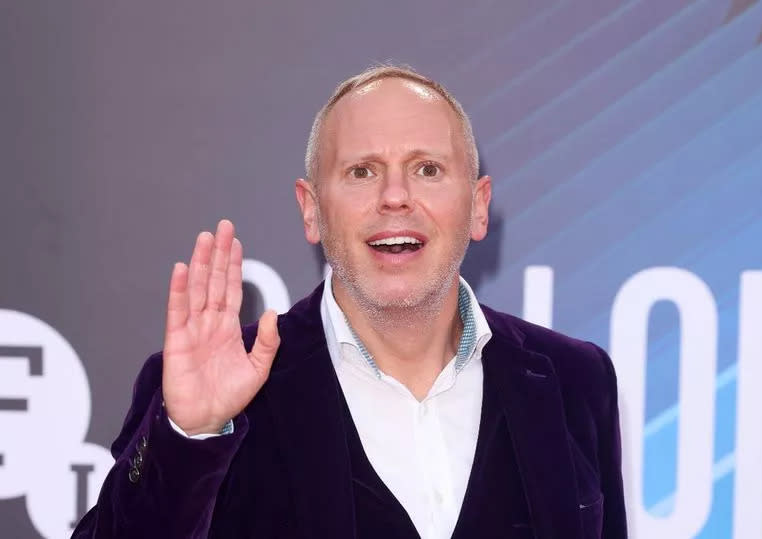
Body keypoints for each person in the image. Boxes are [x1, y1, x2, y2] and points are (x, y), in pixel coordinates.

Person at [72, 64, 627, 539]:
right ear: (311, 209)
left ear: (479, 206)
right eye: (362, 172)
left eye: (427, 169)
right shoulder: (220, 392)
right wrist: (186, 439)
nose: (395, 197)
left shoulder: (574, 380)